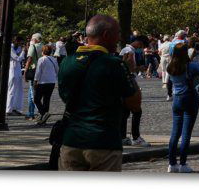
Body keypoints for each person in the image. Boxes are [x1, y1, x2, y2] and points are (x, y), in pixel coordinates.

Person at [56, 15, 142, 171]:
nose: (120, 38)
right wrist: (130, 72)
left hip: (71, 140)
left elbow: (65, 97)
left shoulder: (67, 62)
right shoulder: (113, 64)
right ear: (106, 35)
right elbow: (135, 104)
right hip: (103, 142)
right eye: (118, 33)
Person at [163, 42, 199, 172]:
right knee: (186, 134)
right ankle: (183, 164)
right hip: (190, 97)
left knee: (175, 133)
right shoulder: (190, 66)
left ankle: (172, 163)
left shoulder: (171, 66)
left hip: (177, 98)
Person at [31, 43, 60, 125]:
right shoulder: (54, 59)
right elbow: (57, 70)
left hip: (42, 82)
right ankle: (44, 118)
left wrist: (35, 81)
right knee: (46, 99)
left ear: (43, 51)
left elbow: (38, 72)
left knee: (36, 99)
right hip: (51, 82)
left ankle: (43, 113)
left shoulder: (41, 59)